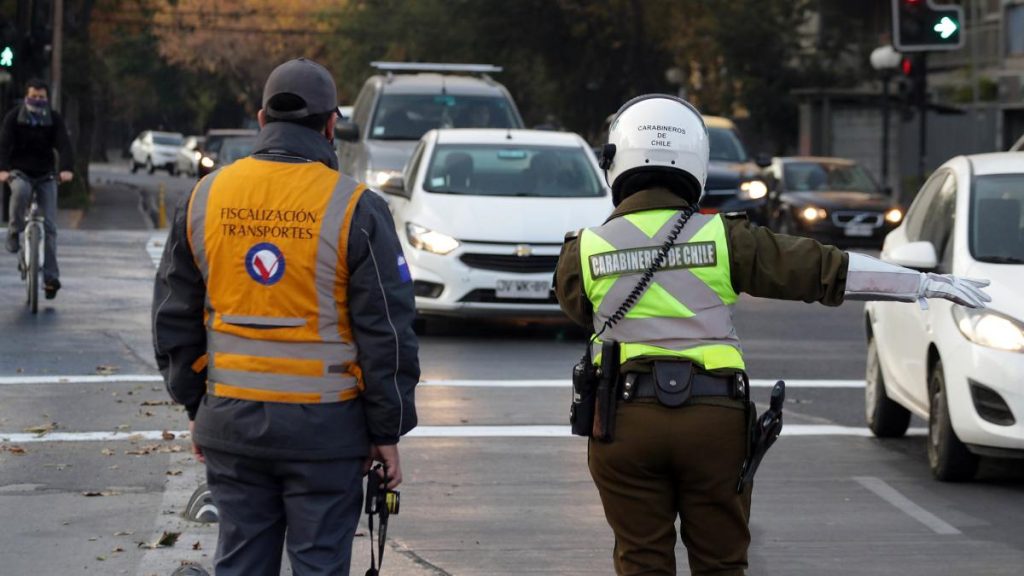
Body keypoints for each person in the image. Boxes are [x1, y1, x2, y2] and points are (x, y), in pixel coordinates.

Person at [554, 94, 990, 576]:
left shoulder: (586, 249)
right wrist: (924, 283)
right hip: (714, 421)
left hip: (624, 421)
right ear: (696, 162)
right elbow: (825, 271)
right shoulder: (725, 238)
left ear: (615, 162)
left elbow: (576, 309)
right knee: (721, 563)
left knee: (640, 561)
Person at [152, 58, 419, 576]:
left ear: (259, 120)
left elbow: (173, 316)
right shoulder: (357, 209)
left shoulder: (204, 199)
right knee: (320, 564)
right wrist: (388, 430)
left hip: (232, 423)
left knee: (241, 562)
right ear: (329, 125)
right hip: (327, 434)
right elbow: (386, 330)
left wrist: (194, 405)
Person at [0, 79, 75, 299]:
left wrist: (67, 169)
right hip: (19, 172)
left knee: (51, 227)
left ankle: (50, 278)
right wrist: (2, 169)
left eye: (42, 97)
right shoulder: (14, 117)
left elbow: (64, 145)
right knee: (21, 192)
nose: (38, 100)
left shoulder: (53, 119)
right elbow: (3, 144)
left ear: (46, 98)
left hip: (46, 174)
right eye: (34, 96)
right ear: (27, 96)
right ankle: (14, 232)